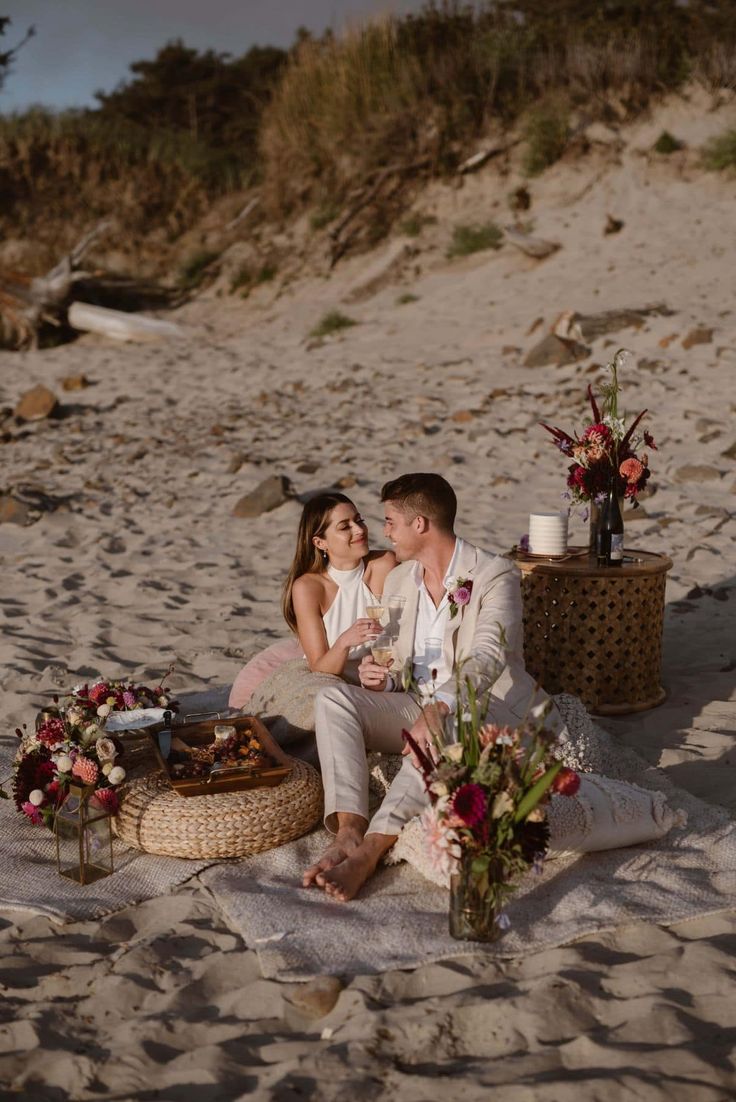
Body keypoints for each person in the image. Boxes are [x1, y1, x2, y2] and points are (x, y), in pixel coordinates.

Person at [303, 472, 558, 901]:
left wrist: (440, 706)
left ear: (419, 525)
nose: (382, 532)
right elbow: (394, 656)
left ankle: (370, 850)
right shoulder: (402, 579)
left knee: (443, 725)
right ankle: (349, 831)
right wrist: (378, 677)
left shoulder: (496, 575)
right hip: (413, 700)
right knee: (334, 699)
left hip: (482, 705)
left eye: (389, 521)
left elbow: (488, 657)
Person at [228, 493, 396, 708]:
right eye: (345, 527)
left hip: (379, 675)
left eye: (359, 520)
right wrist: (345, 641)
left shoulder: (384, 564)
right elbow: (320, 667)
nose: (359, 530)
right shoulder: (308, 588)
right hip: (331, 677)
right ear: (320, 542)